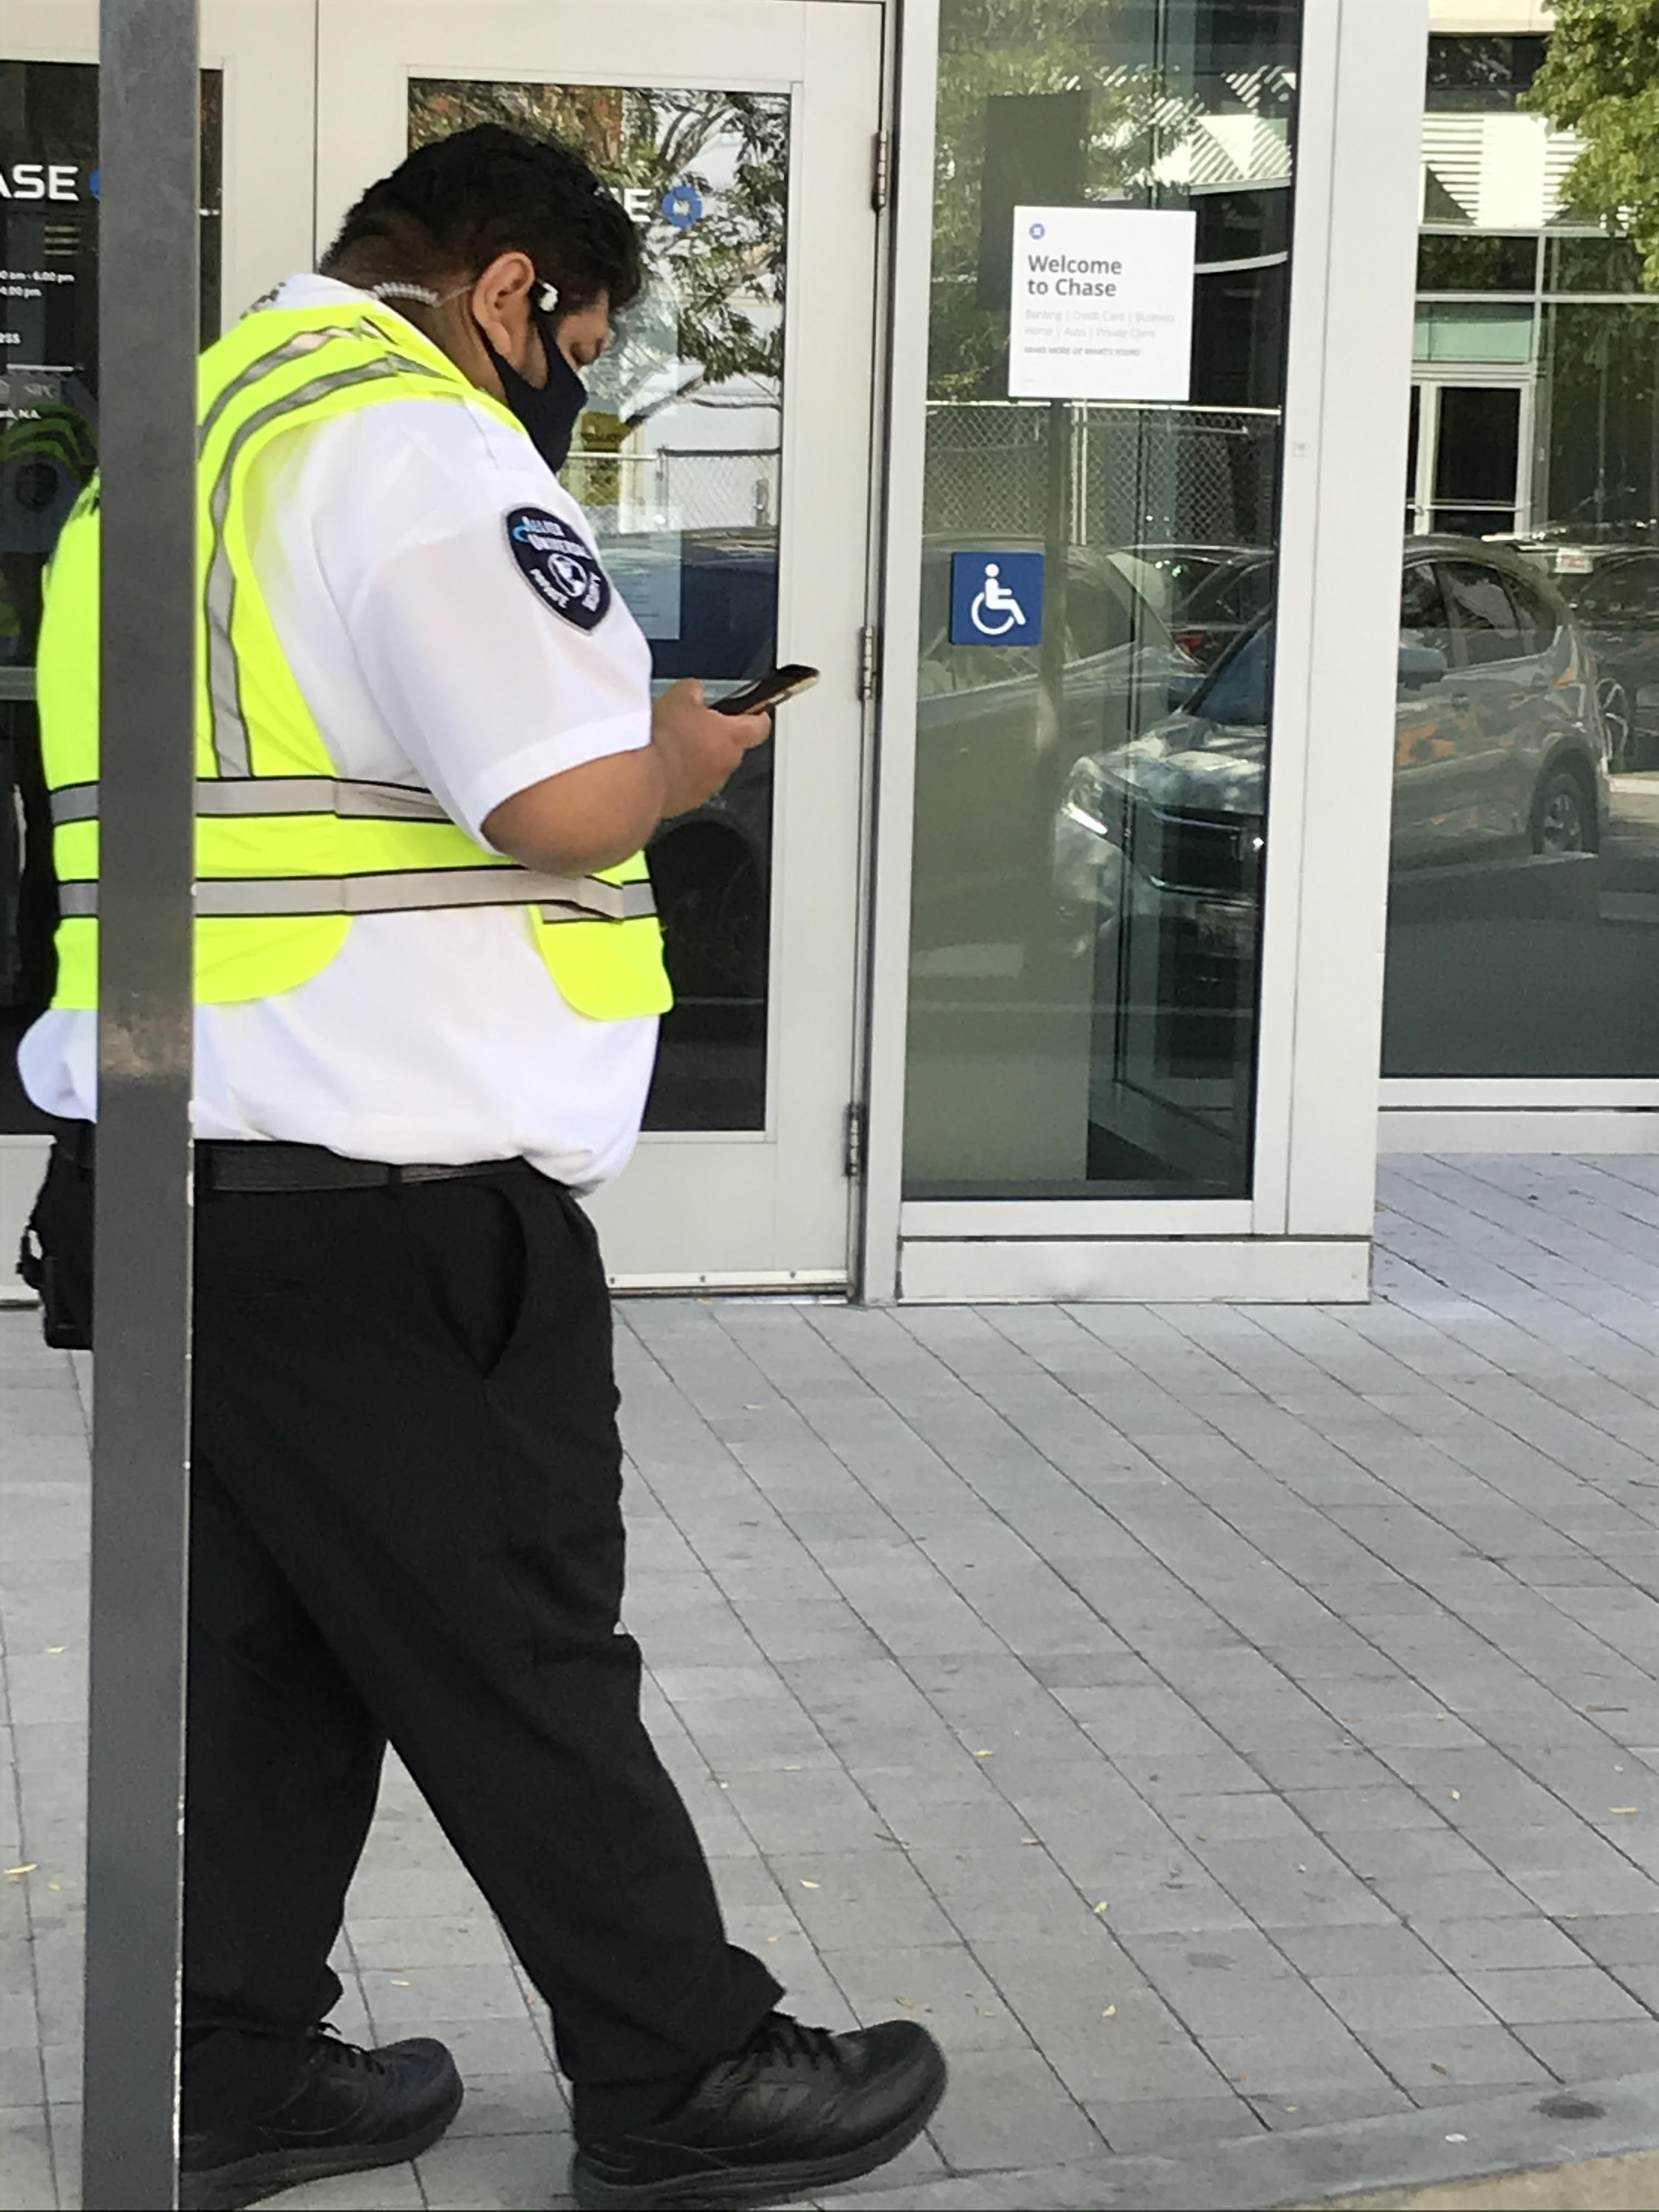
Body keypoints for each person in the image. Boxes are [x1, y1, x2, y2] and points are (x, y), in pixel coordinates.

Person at [18, 125, 945, 2212]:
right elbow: (553, 800)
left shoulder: (177, 454)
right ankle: (685, 2072)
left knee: (282, 1650)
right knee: (518, 1642)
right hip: (390, 1203)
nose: (569, 394)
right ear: (511, 289)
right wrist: (688, 753)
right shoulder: (417, 441)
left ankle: (229, 2071)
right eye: (581, 349)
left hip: (186, 1183)